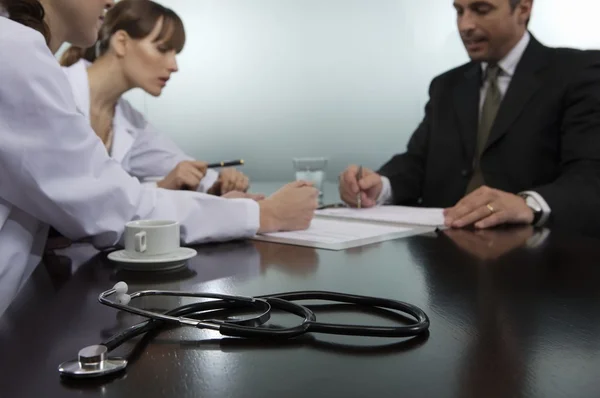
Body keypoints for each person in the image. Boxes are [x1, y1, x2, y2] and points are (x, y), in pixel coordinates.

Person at [0, 0, 317, 297]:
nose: (111, 1)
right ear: (122, 43)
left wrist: (215, 188)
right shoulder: (17, 53)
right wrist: (263, 213)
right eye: (163, 48)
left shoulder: (127, 119)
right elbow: (116, 207)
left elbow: (135, 182)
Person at [339, 0, 600, 235]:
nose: (465, 25)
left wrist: (527, 204)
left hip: (536, 260)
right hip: (442, 257)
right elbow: (418, 162)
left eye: (481, 10)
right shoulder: (446, 85)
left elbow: (590, 176)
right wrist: (381, 186)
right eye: (459, 11)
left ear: (523, 8)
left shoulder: (577, 73)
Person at [58, 0, 247, 195]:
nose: (174, 66)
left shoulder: (131, 122)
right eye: (163, 49)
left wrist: (220, 184)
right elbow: (66, 192)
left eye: (175, 53)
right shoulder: (55, 86)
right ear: (122, 42)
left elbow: (181, 165)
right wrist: (161, 187)